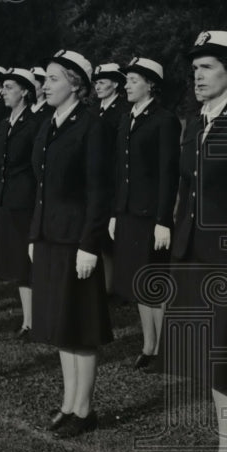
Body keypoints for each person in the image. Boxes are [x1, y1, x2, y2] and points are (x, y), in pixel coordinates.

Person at [169, 31, 227, 452]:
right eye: (194, 67)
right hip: (195, 252)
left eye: (207, 67)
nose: (196, 75)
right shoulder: (197, 119)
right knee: (212, 357)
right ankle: (223, 449)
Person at [29, 50, 112, 438]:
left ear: (75, 84)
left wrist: (89, 245)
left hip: (76, 239)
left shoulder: (91, 125)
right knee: (61, 325)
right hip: (50, 236)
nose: (45, 85)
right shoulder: (49, 123)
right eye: (45, 78)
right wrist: (34, 234)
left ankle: (84, 409)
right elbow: (41, 188)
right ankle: (68, 403)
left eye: (53, 79)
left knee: (79, 324)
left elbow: (99, 191)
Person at [109, 57, 180, 370]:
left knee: (155, 283)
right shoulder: (127, 119)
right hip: (128, 213)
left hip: (151, 216)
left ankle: (164, 348)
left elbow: (168, 173)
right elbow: (120, 171)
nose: (127, 85)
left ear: (151, 84)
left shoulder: (164, 120)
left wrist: (164, 220)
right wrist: (115, 211)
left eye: (134, 80)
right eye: (127, 81)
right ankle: (148, 345)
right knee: (139, 283)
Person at [0, 68, 42, 341]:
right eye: (4, 87)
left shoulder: (34, 124)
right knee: (20, 262)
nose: (4, 92)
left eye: (9, 87)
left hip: (27, 201)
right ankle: (29, 320)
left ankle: (36, 321)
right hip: (7, 199)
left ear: (24, 91)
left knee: (29, 262)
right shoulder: (4, 123)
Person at [93, 62, 130, 295]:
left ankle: (117, 286)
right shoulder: (95, 109)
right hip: (97, 178)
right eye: (96, 82)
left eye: (102, 82)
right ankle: (106, 285)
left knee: (114, 235)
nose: (98, 87)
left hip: (114, 177)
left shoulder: (122, 110)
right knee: (102, 237)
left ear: (115, 84)